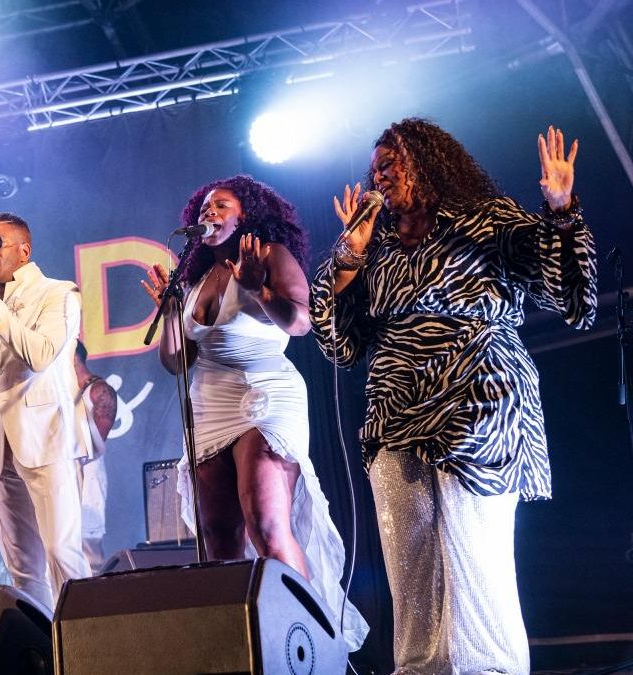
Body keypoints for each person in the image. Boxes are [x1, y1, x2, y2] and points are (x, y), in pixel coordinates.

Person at [310, 119, 595, 671]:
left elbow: (568, 296)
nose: (379, 175)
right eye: (374, 169)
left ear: (427, 161)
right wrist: (348, 257)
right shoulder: (376, 245)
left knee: (474, 551)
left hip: (480, 395)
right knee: (409, 568)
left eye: (390, 162)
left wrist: (561, 209)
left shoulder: (484, 219)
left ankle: (489, 667)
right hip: (395, 409)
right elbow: (340, 344)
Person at [140, 175, 367, 649]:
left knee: (266, 523)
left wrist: (258, 289)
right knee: (219, 538)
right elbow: (177, 363)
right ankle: (242, 648)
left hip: (264, 394)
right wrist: (170, 314)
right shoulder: (196, 279)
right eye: (204, 206)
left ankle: (309, 646)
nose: (209, 211)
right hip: (210, 404)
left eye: (222, 205)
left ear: (247, 215)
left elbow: (301, 322)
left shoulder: (269, 255)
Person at [0, 211, 91, 612]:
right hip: (4, 451)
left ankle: (84, 638)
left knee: (61, 552)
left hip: (48, 440)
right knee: (23, 569)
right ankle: (41, 643)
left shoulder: (59, 293)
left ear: (24, 251)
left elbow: (40, 356)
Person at [72, 341, 117, 573]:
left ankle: (94, 591)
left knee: (89, 552)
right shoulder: (65, 392)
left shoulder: (99, 391)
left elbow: (93, 446)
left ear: (73, 358)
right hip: (63, 478)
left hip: (88, 478)